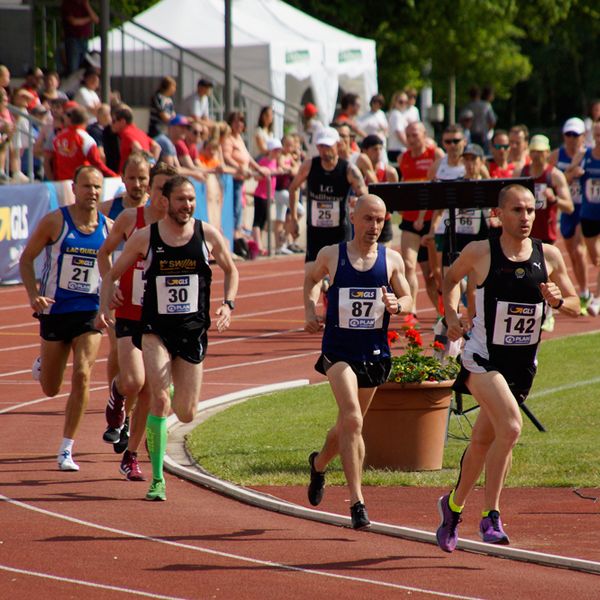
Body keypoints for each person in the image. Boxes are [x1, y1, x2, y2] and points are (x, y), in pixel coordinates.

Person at [436, 184, 579, 553]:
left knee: (485, 440)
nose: (526, 217)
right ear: (499, 215)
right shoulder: (480, 252)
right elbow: (449, 280)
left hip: (522, 367)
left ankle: (452, 508)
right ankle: (491, 515)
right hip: (482, 358)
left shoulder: (549, 255)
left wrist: (560, 300)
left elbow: (578, 302)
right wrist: (452, 315)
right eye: (518, 210)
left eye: (531, 210)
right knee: (512, 427)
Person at [96, 175, 239, 501]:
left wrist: (228, 304)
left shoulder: (207, 234)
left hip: (192, 331)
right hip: (154, 330)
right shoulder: (146, 237)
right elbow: (112, 273)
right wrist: (108, 299)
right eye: (181, 199)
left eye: (191, 199)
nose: (187, 205)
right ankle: (157, 479)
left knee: (186, 412)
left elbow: (232, 269)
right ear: (167, 201)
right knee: (158, 399)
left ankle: (172, 386)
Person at [304, 194, 412, 529]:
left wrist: (398, 304)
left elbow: (409, 299)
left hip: (374, 353)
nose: (374, 226)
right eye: (368, 219)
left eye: (380, 220)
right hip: (339, 351)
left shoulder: (391, 260)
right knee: (352, 416)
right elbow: (310, 279)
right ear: (354, 218)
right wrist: (310, 310)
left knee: (350, 426)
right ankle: (357, 501)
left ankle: (319, 464)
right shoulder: (332, 255)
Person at [19, 166, 111, 471]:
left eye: (97, 187)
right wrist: (34, 294)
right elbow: (26, 258)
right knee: (51, 388)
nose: (92, 192)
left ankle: (66, 448)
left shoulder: (109, 229)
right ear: (74, 187)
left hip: (89, 313)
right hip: (56, 311)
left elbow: (114, 271)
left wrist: (109, 306)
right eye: (86, 186)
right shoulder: (56, 221)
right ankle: (44, 362)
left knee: (83, 374)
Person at [96, 162, 178, 480]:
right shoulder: (132, 219)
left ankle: (131, 456)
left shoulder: (181, 228)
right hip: (130, 313)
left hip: (163, 321)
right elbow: (104, 254)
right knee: (133, 381)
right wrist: (111, 285)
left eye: (169, 190)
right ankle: (117, 395)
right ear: (150, 190)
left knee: (149, 393)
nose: (164, 196)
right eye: (159, 188)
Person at [288, 126, 368, 269]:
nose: (324, 151)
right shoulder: (309, 165)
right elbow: (293, 187)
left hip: (340, 231)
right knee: (311, 277)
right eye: (321, 146)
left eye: (328, 146)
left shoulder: (349, 169)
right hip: (315, 232)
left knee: (339, 276)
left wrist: (358, 207)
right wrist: (294, 219)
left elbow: (364, 196)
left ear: (337, 144)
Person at [398, 121, 444, 317]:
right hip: (410, 221)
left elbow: (434, 189)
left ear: (424, 135)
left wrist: (422, 216)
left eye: (415, 135)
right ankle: (412, 310)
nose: (411, 139)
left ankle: (443, 314)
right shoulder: (403, 158)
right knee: (408, 264)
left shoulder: (435, 155)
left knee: (432, 275)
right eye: (408, 135)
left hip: (430, 222)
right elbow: (403, 185)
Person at [550, 117, 591, 313]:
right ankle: (583, 290)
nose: (572, 138)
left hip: (584, 208)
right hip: (567, 210)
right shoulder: (556, 156)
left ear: (584, 136)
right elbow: (552, 181)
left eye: (576, 135)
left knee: (579, 249)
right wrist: (570, 172)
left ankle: (583, 292)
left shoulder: (590, 154)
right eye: (569, 134)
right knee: (572, 254)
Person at [572, 121, 600, 316]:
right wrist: (574, 172)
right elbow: (564, 177)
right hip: (589, 214)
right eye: (597, 135)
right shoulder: (584, 155)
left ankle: (597, 298)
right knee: (595, 258)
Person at [53, 104, 117, 181]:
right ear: (85, 120)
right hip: (81, 183)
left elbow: (53, 162)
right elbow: (97, 163)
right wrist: (115, 177)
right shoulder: (86, 139)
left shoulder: (58, 138)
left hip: (62, 184)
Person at [355, 134, 398, 245]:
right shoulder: (356, 171)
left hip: (383, 220)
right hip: (363, 220)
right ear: (364, 151)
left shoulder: (389, 172)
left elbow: (394, 197)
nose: (378, 152)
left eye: (380, 148)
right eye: (374, 149)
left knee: (384, 256)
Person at [111, 104, 161, 173]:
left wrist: (150, 164)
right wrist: (152, 163)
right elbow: (157, 147)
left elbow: (139, 149)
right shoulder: (140, 132)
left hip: (129, 175)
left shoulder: (126, 134)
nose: (111, 124)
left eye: (114, 121)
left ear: (122, 122)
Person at [61, 0, 99, 75]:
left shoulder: (84, 5)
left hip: (84, 39)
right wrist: (89, 19)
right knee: (73, 66)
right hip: (73, 39)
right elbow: (74, 21)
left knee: (83, 65)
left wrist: (87, 5)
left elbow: (96, 19)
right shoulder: (67, 4)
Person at [386, 91, 408, 163]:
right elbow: (399, 132)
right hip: (398, 150)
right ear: (395, 102)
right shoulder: (396, 114)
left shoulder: (399, 114)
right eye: (401, 102)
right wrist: (409, 145)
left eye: (405, 102)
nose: (403, 104)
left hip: (397, 150)